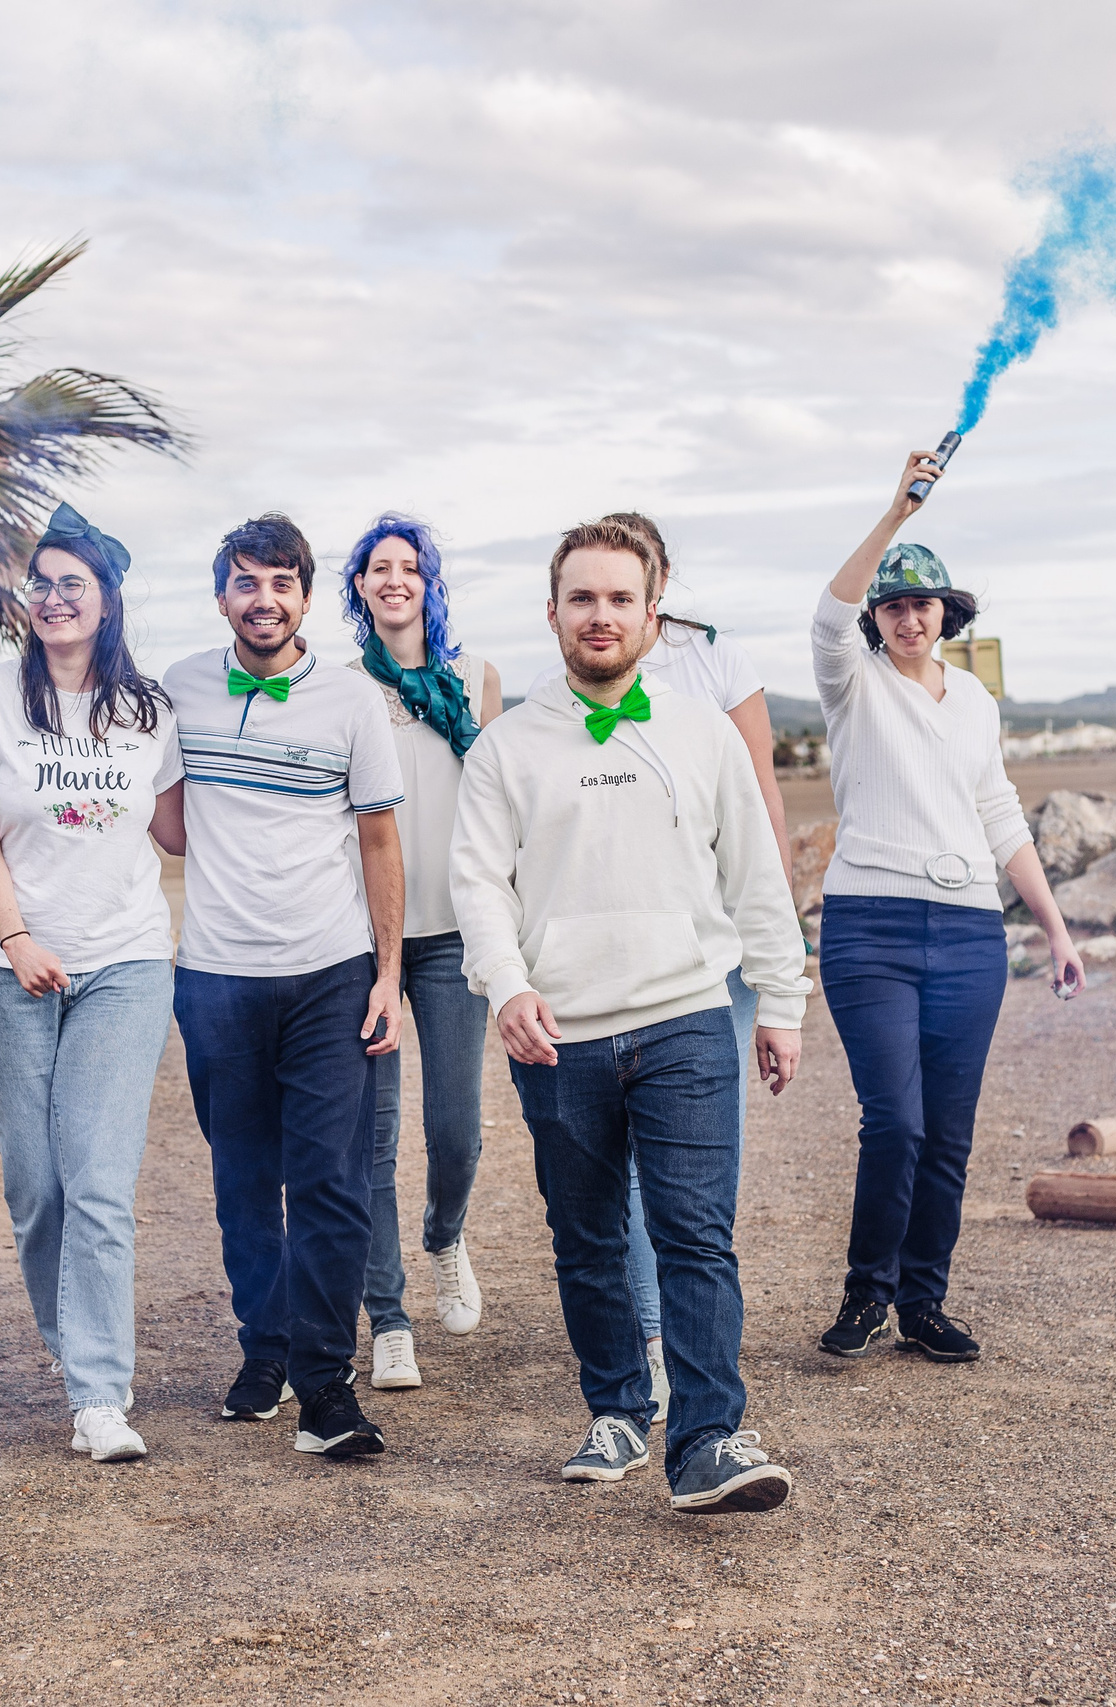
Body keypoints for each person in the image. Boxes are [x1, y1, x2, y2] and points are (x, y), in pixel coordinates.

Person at [450, 517, 810, 1514]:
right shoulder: (508, 747)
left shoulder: (700, 734)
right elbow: (477, 881)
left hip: (685, 1017)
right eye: (582, 598)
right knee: (587, 1236)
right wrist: (507, 983)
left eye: (620, 599)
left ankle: (708, 1442)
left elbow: (755, 881)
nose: (600, 616)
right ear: (554, 612)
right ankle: (615, 1405)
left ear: (654, 615)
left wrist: (780, 1002)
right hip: (557, 1031)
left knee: (695, 1233)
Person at [809, 452, 1086, 1366]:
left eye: (925, 603)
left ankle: (924, 1299)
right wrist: (894, 511)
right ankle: (867, 1291)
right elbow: (825, 612)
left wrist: (1053, 928)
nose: (910, 615)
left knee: (950, 1133)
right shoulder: (853, 681)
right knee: (897, 1119)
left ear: (947, 614)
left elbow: (999, 812)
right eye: (894, 604)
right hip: (870, 930)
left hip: (971, 933)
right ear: (878, 617)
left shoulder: (974, 699)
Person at [0, 503, 186, 1465]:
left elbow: (177, 832)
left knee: (97, 1180)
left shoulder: (149, 709)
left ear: (107, 598)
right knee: (36, 1184)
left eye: (70, 582)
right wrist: (16, 937)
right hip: (4, 967)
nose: (50, 596)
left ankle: (98, 1391)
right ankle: (71, 1343)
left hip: (125, 962)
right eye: (38, 582)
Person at [165, 513, 408, 1459]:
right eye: (246, 583)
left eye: (282, 583)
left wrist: (388, 974)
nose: (263, 600)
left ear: (307, 595)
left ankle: (324, 1387)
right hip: (216, 978)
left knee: (330, 1185)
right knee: (241, 1183)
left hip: (331, 975)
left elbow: (380, 840)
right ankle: (260, 1351)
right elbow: (171, 828)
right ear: (221, 593)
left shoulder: (352, 701)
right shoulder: (178, 689)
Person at [598, 512, 793, 1423]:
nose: (615, 602)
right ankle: (647, 1331)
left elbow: (761, 795)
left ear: (660, 581)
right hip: (629, 944)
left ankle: (686, 1319)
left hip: (719, 938)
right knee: (629, 1159)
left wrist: (777, 932)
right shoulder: (582, 671)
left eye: (636, 579)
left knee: (702, 1152)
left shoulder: (717, 661)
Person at [338, 513, 501, 1392]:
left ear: (430, 584)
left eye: (409, 567)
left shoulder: (475, 680)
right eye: (378, 568)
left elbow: (499, 806)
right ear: (358, 587)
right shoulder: (340, 687)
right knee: (373, 1136)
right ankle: (388, 1317)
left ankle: (445, 1234)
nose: (393, 579)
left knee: (456, 1128)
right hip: (360, 942)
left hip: (454, 935)